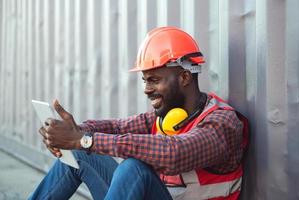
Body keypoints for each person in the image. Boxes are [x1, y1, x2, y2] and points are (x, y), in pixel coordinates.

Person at [29, 26, 248, 200]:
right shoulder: (165, 118)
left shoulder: (222, 123)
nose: (146, 89)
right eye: (145, 80)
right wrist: (71, 135)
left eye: (154, 80)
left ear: (184, 77)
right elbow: (117, 127)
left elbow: (174, 153)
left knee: (133, 168)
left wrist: (84, 140)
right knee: (79, 154)